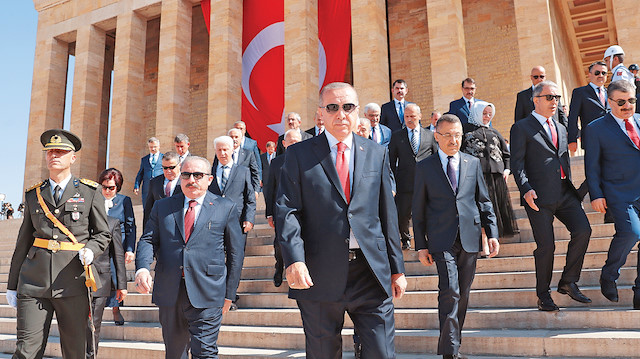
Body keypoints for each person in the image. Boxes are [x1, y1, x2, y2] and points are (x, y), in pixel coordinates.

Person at [276, 82, 407, 359]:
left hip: (371, 272)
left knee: (382, 353)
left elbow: (387, 214)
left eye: (347, 107)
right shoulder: (299, 155)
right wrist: (294, 259)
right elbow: (287, 210)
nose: (341, 114)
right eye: (332, 107)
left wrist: (397, 268)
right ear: (321, 113)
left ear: (357, 111)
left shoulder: (376, 153)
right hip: (318, 273)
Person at [7, 129, 110, 359]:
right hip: (34, 283)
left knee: (75, 352)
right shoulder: (34, 194)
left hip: (72, 282)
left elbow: (103, 234)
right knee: (26, 351)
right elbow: (23, 242)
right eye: (50, 151)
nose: (54, 155)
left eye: (61, 151)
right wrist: (12, 284)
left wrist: (91, 250)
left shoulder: (89, 191)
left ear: (73, 157)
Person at [135, 156, 245, 358]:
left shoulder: (225, 207)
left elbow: (236, 253)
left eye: (198, 175)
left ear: (209, 179)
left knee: (205, 351)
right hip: (170, 291)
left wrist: (230, 293)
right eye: (186, 174)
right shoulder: (163, 206)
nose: (191, 180)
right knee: (175, 353)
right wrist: (142, 268)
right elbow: (148, 240)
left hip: (208, 291)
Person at [412, 114, 499, 359]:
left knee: (463, 293)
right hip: (441, 240)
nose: (454, 140)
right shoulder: (425, 166)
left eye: (458, 135)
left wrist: (491, 233)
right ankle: (450, 352)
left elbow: (484, 201)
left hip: (470, 238)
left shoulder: (472, 163)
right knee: (449, 290)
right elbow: (418, 210)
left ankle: (453, 345)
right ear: (437, 137)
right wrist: (421, 245)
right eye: (448, 135)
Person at [510, 81, 592, 311]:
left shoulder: (561, 128)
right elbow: (516, 164)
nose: (554, 101)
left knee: (583, 230)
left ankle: (568, 281)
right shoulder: (522, 127)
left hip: (565, 194)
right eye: (549, 97)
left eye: (556, 97)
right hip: (537, 197)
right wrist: (526, 189)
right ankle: (543, 295)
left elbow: (562, 159)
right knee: (546, 247)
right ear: (535, 100)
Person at [584, 80, 640, 309]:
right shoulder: (596, 128)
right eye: (621, 102)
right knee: (631, 233)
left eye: (632, 100)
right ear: (610, 102)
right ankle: (609, 274)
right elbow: (592, 166)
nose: (627, 106)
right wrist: (596, 195)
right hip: (619, 194)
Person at [462, 101, 518, 255]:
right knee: (481, 210)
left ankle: (492, 240)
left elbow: (506, 154)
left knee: (494, 209)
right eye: (483, 113)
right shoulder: (465, 131)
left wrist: (507, 170)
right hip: (476, 177)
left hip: (496, 178)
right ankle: (483, 243)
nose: (486, 117)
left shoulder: (495, 132)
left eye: (489, 114)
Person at [388, 103, 439, 250]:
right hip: (405, 182)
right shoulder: (397, 136)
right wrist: (392, 183)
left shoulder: (430, 135)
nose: (409, 119)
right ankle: (406, 239)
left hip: (427, 182)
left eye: (413, 116)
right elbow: (391, 161)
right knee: (403, 214)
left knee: (428, 212)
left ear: (420, 116)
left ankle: (429, 238)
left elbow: (436, 158)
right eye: (407, 116)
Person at [98, 167, 137, 325]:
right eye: (104, 187)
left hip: (117, 246)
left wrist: (129, 249)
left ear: (117, 187)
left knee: (116, 278)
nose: (107, 191)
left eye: (111, 188)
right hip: (99, 246)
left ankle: (116, 308)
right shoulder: (96, 199)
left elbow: (130, 226)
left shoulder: (124, 201)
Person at [264, 130, 302, 287]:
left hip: (303, 210)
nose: (294, 144)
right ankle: (279, 267)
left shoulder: (307, 161)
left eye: (297, 141)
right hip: (281, 211)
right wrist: (269, 214)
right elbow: (270, 189)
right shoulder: (276, 163)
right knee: (280, 243)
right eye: (290, 141)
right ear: (284, 144)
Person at [86, 216, 127, 359]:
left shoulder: (111, 222)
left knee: (93, 326)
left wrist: (121, 285)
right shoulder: (76, 219)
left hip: (100, 282)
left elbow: (118, 255)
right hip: (74, 281)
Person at [208, 136, 256, 238]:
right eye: (219, 150)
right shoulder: (209, 173)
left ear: (232, 150)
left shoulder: (243, 171)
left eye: (225, 149)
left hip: (237, 222)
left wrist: (249, 219)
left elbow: (250, 198)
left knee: (236, 253)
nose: (222, 153)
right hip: (214, 223)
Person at [568, 61, 609, 152]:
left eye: (604, 73)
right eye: (597, 73)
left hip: (610, 140)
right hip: (591, 140)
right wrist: (572, 139)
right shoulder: (580, 92)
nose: (600, 75)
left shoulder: (611, 93)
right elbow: (572, 117)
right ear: (589, 75)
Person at [144, 151, 182, 227]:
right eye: (165, 168)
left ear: (179, 165)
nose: (168, 171)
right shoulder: (154, 182)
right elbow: (148, 208)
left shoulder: (185, 181)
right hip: (159, 227)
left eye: (172, 167)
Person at [226, 128, 261, 193]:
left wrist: (256, 190)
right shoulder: (221, 154)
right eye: (231, 137)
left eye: (236, 137)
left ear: (241, 139)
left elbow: (255, 172)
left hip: (243, 190)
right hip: (226, 190)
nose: (234, 139)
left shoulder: (248, 154)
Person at [134, 137, 163, 208]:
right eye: (151, 147)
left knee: (160, 209)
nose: (153, 149)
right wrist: (136, 186)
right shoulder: (144, 159)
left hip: (159, 188)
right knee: (147, 210)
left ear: (159, 146)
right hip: (147, 189)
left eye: (155, 147)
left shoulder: (164, 158)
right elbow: (140, 174)